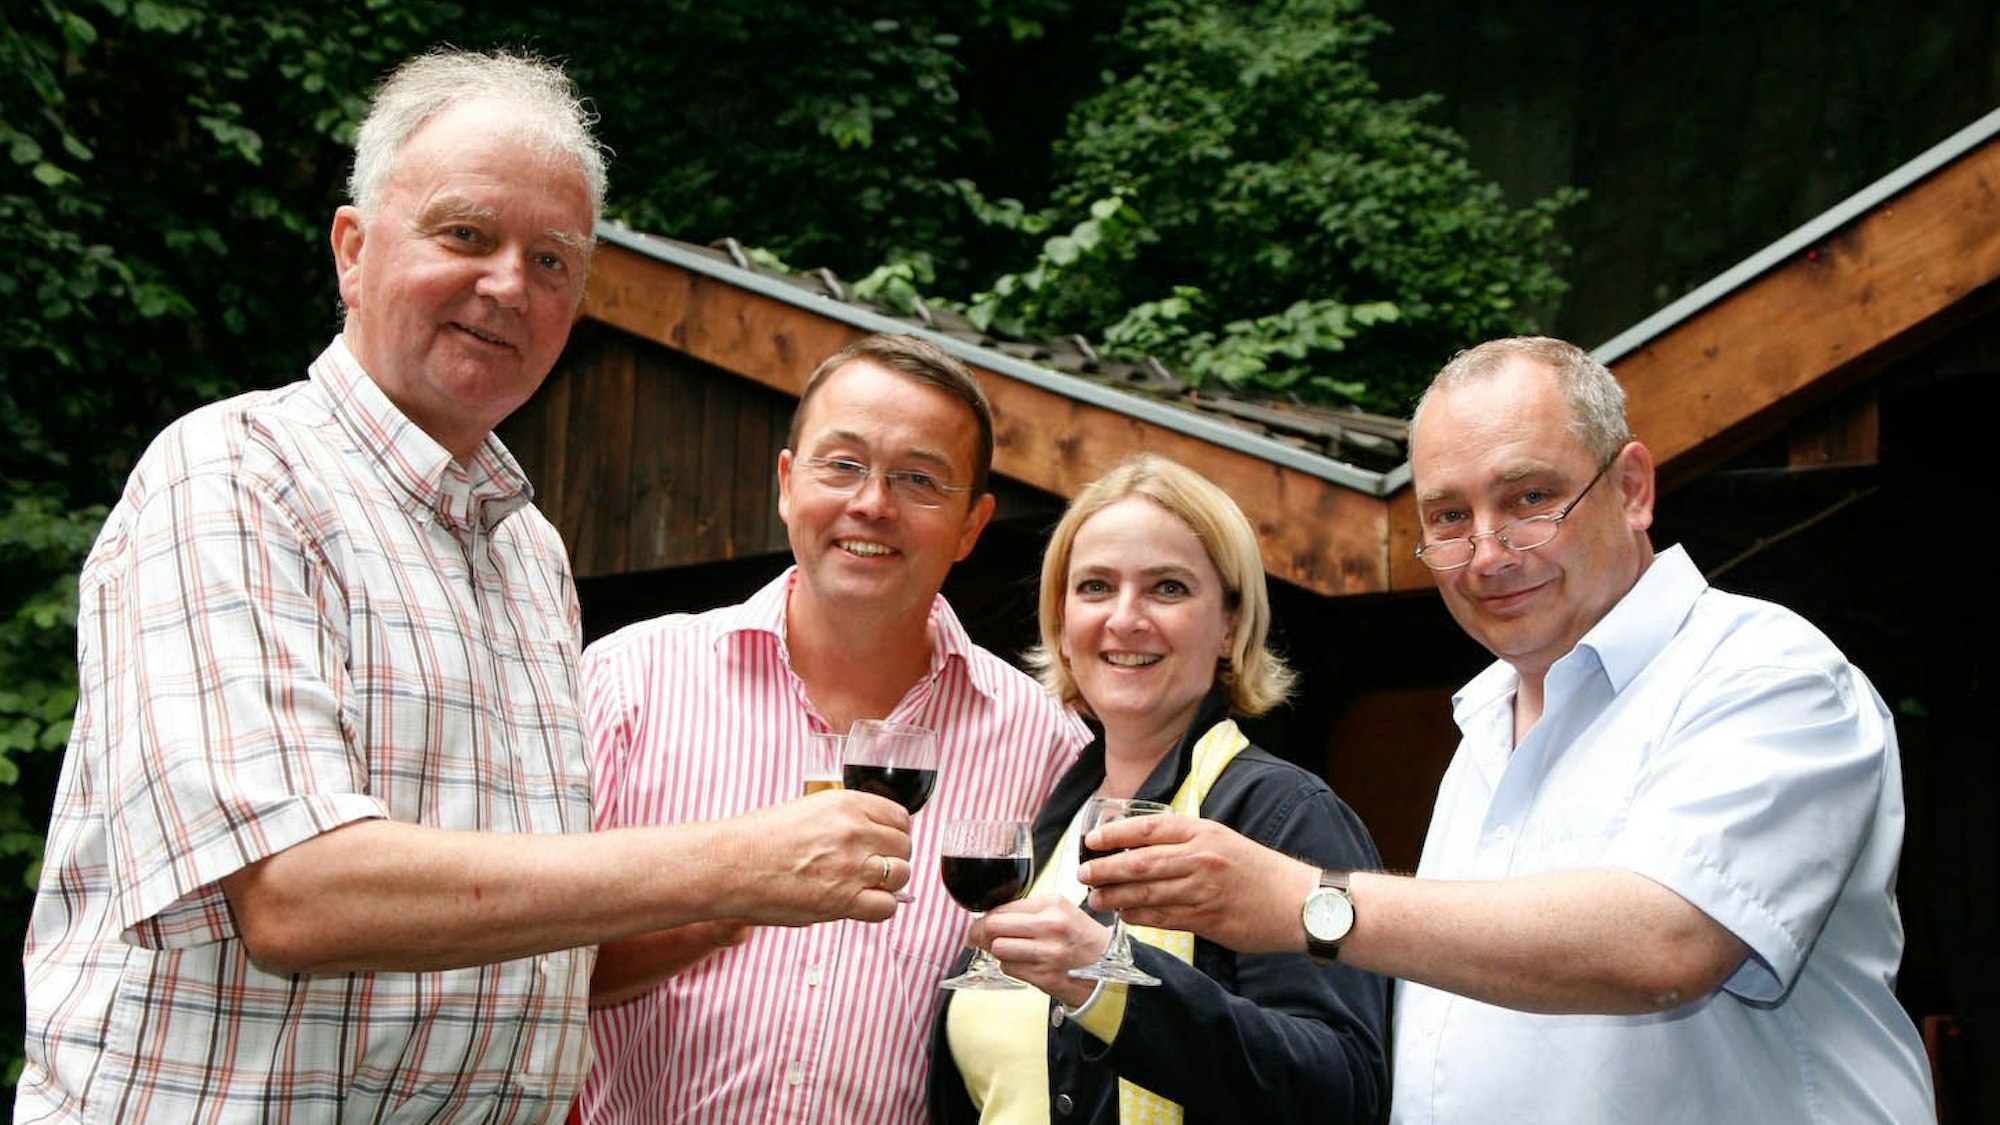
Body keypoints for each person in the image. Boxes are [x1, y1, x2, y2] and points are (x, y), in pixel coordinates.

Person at [17, 49, 913, 1124]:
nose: (507, 286)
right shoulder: (236, 474)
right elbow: (295, 896)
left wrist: (740, 899)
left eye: (551, 262)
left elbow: (521, 967)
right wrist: (724, 860)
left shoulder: (528, 554)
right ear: (352, 251)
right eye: (465, 235)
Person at [1080, 336, 1936, 1124]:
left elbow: (1666, 941)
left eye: (1529, 499)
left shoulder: (1764, 670)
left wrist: (1309, 903)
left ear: (1632, 488)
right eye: (1449, 517)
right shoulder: (1488, 715)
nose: (1488, 552)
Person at [570, 332, 1092, 1125]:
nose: (872, 503)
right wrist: (727, 897)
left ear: (970, 525)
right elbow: (521, 973)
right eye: (841, 464)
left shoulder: (1047, 746)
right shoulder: (625, 684)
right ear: (787, 482)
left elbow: (1068, 1024)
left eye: (919, 478)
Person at [928, 452, 1389, 1124]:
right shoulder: (1047, 822)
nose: (1125, 617)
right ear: (1060, 620)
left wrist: (1109, 978)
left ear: (1230, 624)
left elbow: (1341, 1088)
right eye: (1094, 587)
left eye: (1167, 588)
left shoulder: (1287, 817)